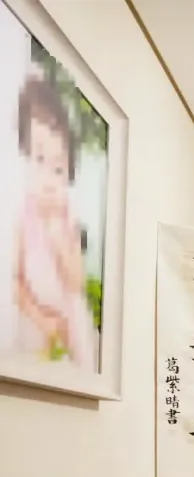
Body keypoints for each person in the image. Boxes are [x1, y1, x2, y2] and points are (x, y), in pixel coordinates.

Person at [11, 74, 94, 369]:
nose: (49, 178)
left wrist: (56, 232)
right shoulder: (22, 213)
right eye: (39, 159)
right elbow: (15, 280)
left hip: (71, 315)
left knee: (82, 363)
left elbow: (76, 281)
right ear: (24, 158)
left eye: (58, 168)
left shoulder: (67, 213)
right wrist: (41, 318)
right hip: (38, 321)